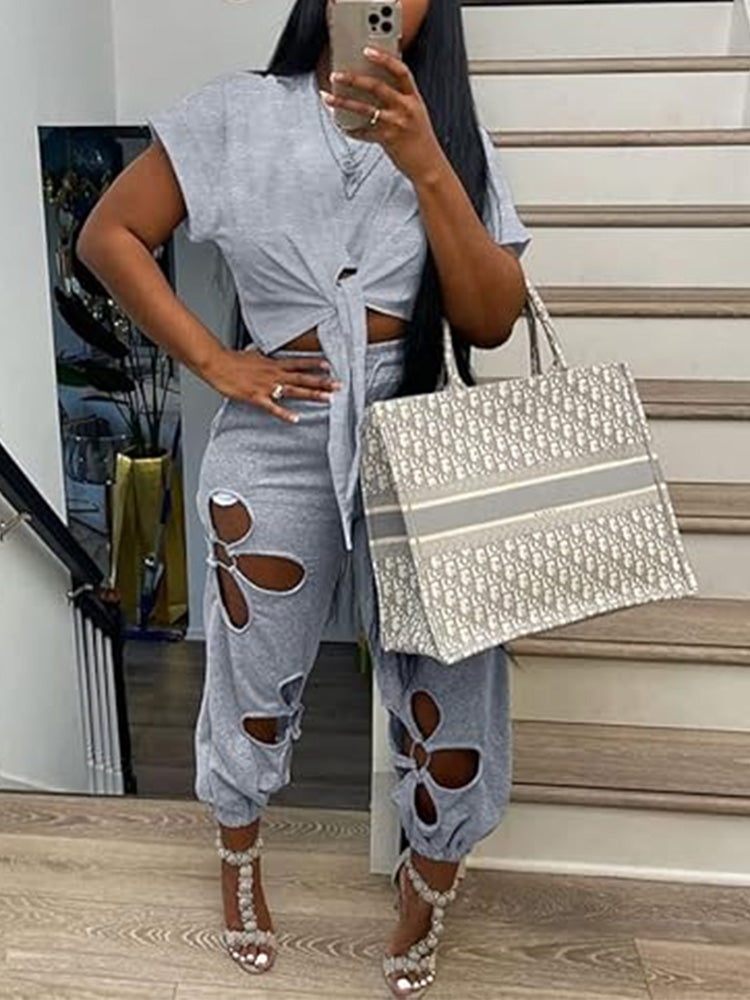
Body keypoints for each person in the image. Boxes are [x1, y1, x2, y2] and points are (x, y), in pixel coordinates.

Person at [77, 1, 532, 995]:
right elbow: (110, 234)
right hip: (279, 425)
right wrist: (213, 359)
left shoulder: (450, 132)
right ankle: (238, 856)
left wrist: (426, 160)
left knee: (454, 678)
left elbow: (492, 319)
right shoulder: (234, 113)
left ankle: (430, 878)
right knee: (255, 674)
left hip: (419, 430)